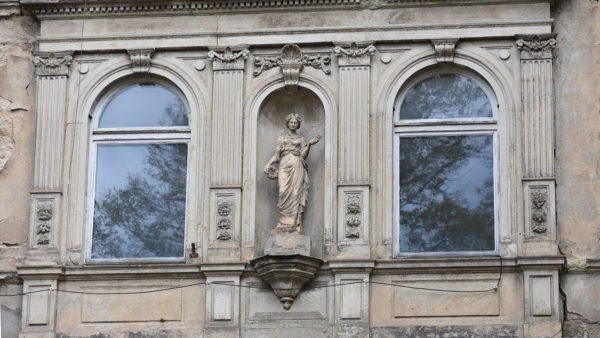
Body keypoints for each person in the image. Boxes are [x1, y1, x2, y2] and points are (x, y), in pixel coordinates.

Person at [264, 113, 320, 234]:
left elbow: (303, 155)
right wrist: (269, 164)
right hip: (284, 164)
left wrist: (309, 144)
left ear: (298, 125)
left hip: (296, 164)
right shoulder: (281, 138)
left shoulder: (300, 139)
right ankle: (282, 222)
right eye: (291, 122)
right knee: (283, 191)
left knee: (295, 194)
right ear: (288, 123)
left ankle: (293, 223)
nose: (293, 124)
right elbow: (277, 154)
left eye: (295, 123)